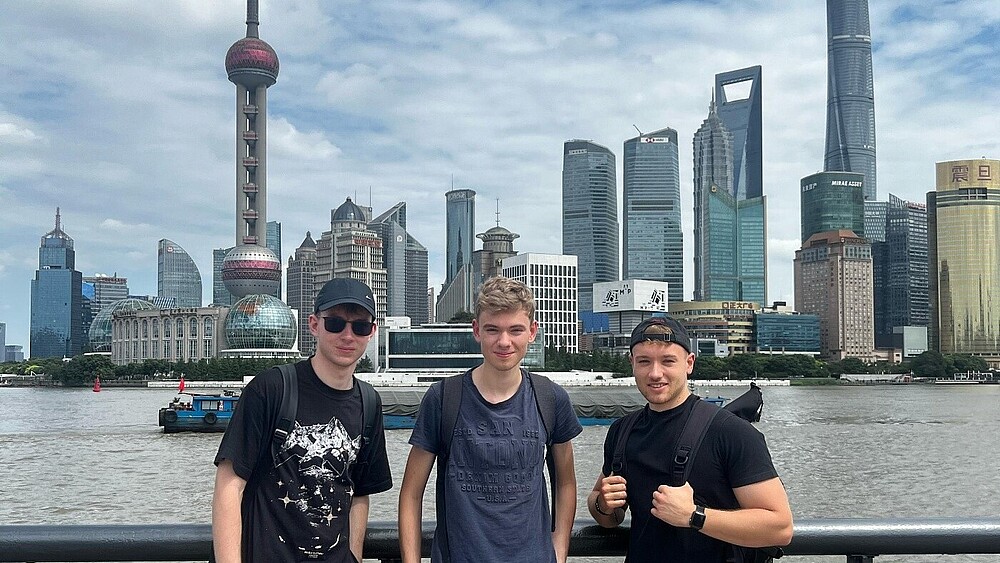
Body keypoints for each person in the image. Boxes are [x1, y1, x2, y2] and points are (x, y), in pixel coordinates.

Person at [398, 276, 583, 563]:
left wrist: (558, 553)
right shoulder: (443, 398)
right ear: (477, 330)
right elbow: (411, 494)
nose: (504, 342)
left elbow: (566, 483)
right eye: (493, 329)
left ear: (532, 332)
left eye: (516, 330)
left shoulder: (551, 398)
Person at [212, 278, 392, 563]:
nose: (348, 335)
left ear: (371, 332)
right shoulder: (271, 389)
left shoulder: (369, 403)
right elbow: (229, 485)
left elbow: (359, 495)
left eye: (359, 326)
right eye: (335, 323)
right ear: (313, 325)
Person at [589, 317, 793, 562]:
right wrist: (603, 503)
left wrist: (694, 516)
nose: (655, 373)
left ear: (689, 363)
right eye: (644, 361)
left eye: (668, 361)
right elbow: (607, 516)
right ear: (632, 363)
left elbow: (780, 528)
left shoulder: (731, 432)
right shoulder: (621, 431)